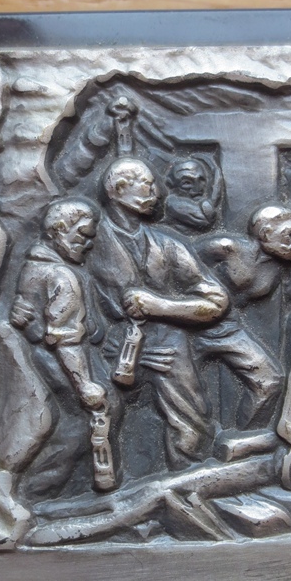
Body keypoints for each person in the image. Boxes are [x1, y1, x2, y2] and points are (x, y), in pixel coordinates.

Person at [89, 157, 229, 469]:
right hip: (108, 348)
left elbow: (217, 301)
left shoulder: (166, 244)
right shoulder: (88, 241)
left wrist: (160, 306)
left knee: (194, 431)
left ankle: (187, 484)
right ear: (118, 189)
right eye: (147, 185)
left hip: (167, 345)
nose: (157, 192)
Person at [10, 197, 118, 499]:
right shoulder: (61, 275)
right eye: (81, 235)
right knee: (82, 425)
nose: (88, 243)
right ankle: (38, 492)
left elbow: (29, 316)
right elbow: (65, 339)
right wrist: (84, 385)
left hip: (48, 355)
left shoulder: (34, 265)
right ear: (58, 231)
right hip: (60, 359)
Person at [196, 204, 291, 430]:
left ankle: (244, 440)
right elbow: (175, 262)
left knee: (269, 381)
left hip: (227, 328)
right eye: (290, 235)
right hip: (186, 325)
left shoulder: (275, 269)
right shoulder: (226, 247)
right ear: (266, 234)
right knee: (185, 394)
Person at [164, 157, 222, 234]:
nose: (197, 189)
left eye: (201, 180)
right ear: (171, 184)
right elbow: (205, 219)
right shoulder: (173, 202)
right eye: (187, 183)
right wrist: (216, 188)